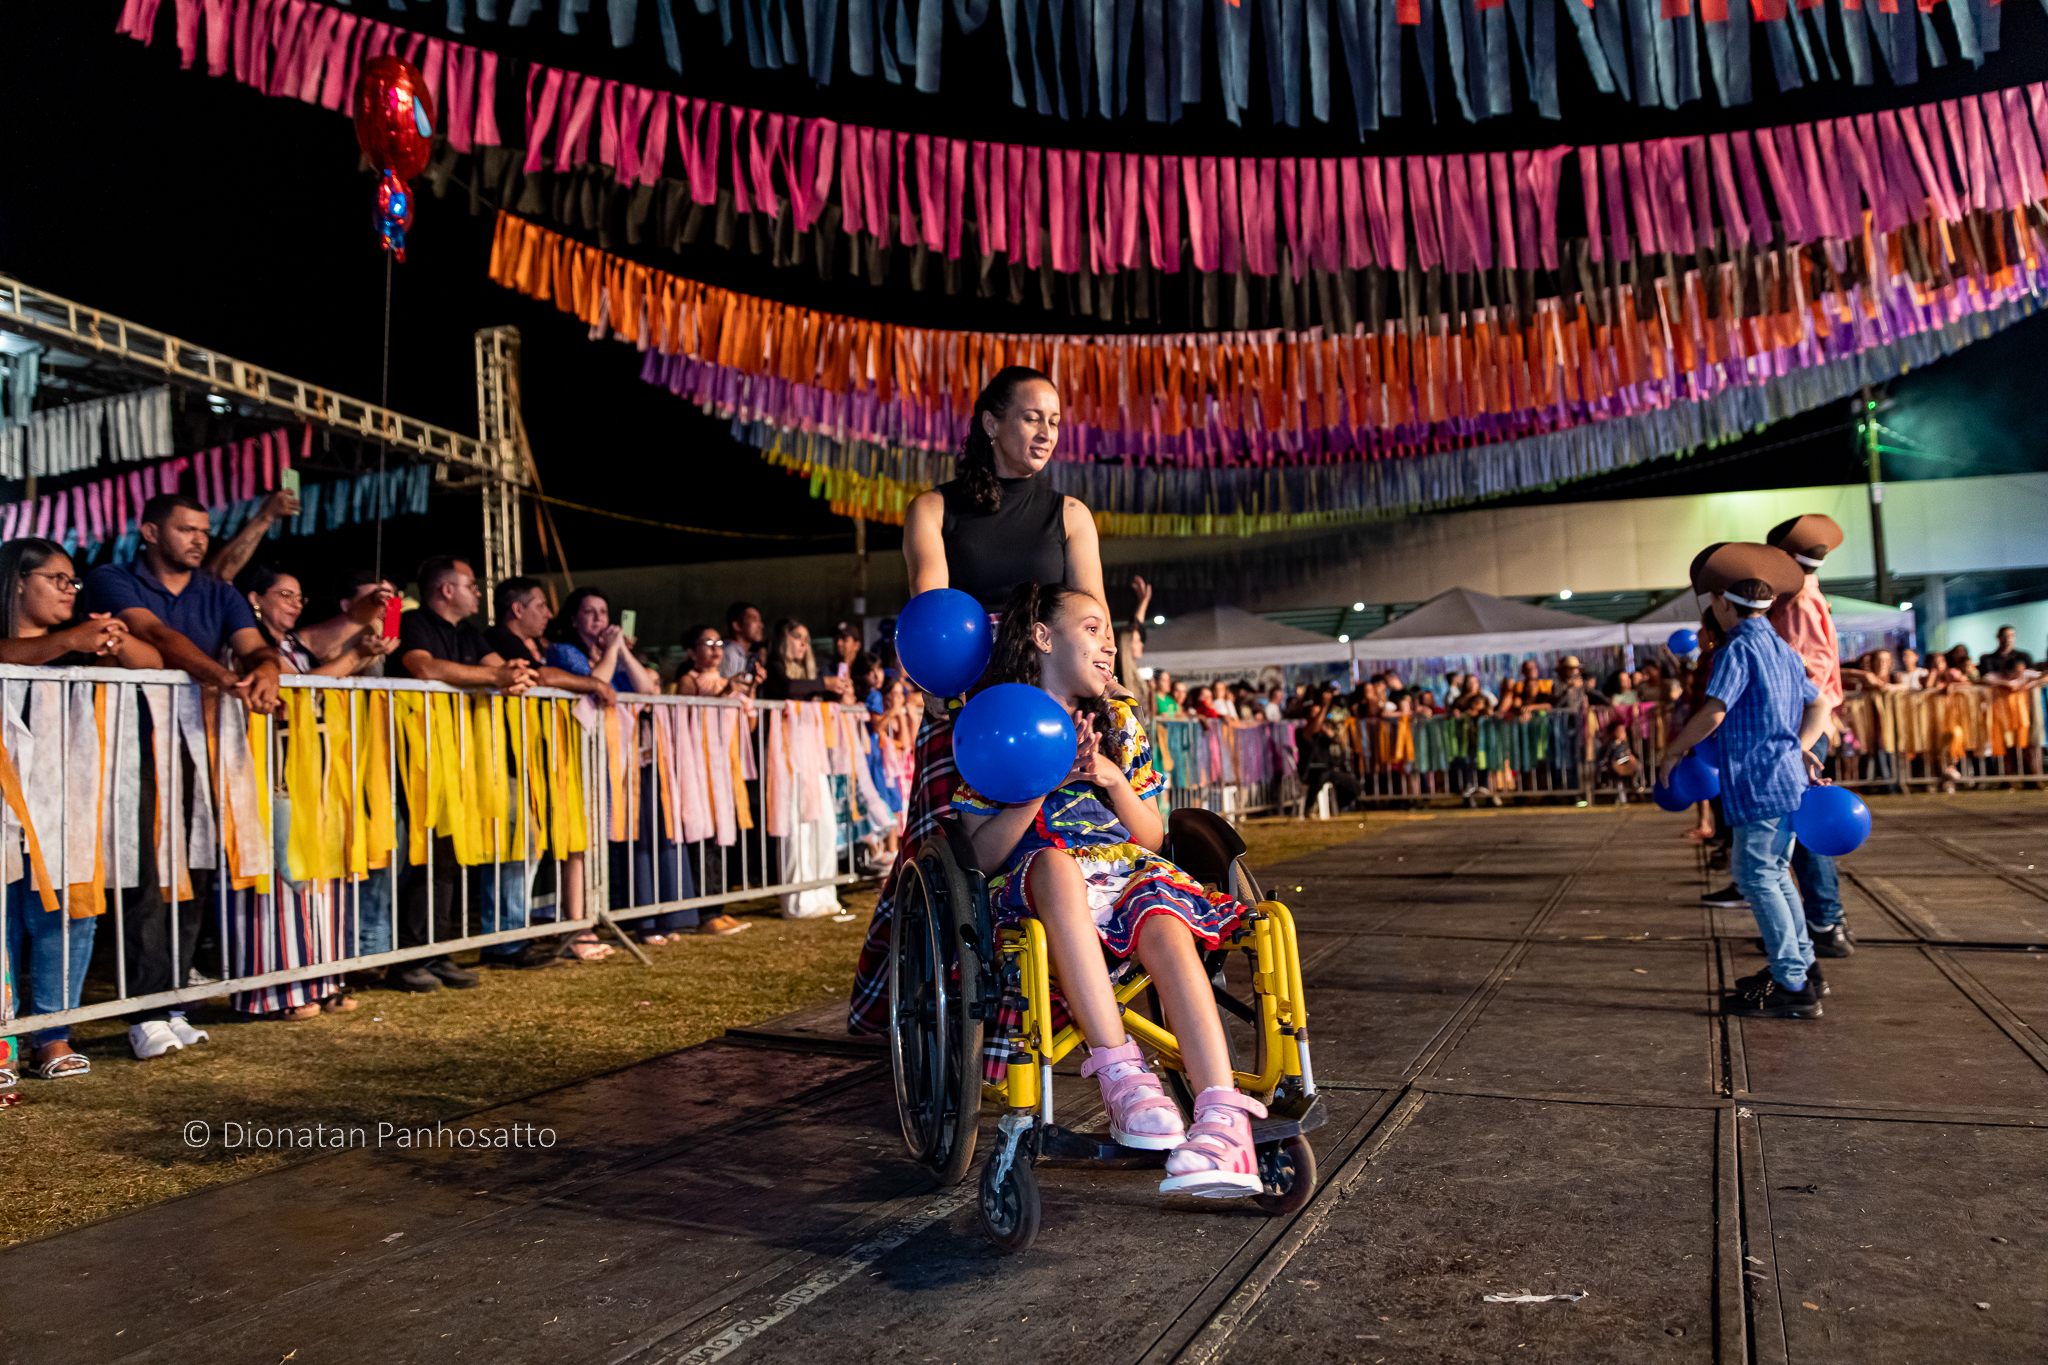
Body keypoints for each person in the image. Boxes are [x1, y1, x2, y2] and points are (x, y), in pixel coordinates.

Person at [955, 582, 1269, 1196]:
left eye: (1109, 633)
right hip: (1037, 883)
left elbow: (1152, 836)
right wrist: (1041, 783)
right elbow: (979, 855)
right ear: (1043, 637)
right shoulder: (996, 719)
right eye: (1093, 629)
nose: (1109, 646)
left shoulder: (1118, 720)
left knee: (1162, 911)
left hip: (1122, 870)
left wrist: (1110, 778)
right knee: (1055, 867)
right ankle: (1125, 1079)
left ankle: (1222, 1120)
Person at [847, 366, 1109, 1035]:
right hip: (965, 702)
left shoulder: (1071, 515)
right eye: (1031, 416)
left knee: (1072, 840)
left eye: (1055, 420)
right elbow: (931, 604)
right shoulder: (934, 510)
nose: (1046, 431)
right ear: (991, 422)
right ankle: (950, 995)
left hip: (1052, 700)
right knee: (952, 852)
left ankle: (1077, 982)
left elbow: (1093, 616)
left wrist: (1109, 693)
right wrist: (944, 686)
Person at [78, 493, 285, 1059]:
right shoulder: (112, 578)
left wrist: (266, 671)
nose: (199, 539)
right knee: (147, 874)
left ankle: (173, 1001)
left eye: (204, 531)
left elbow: (254, 647)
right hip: (133, 746)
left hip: (202, 744)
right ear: (149, 531)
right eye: (186, 529)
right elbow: (160, 639)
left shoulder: (218, 591)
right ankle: (143, 1010)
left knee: (194, 869)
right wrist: (225, 677)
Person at [0, 539, 157, 1081]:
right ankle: (3, 1038)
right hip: (6, 801)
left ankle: (53, 1035)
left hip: (62, 801)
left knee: (66, 913)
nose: (71, 590)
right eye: (57, 579)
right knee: (2, 916)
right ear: (19, 581)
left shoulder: (77, 651)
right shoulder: (56, 644)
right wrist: (70, 639)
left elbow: (152, 663)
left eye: (74, 581)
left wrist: (116, 638)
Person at [1659, 544, 1829, 1019]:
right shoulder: (1782, 648)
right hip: (1785, 778)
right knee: (1776, 874)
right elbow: (1820, 703)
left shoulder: (1737, 649)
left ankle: (1792, 982)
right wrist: (1799, 745)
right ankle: (1802, 968)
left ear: (1722, 603)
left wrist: (1673, 750)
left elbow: (1714, 711)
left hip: (1758, 781)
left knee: (1757, 876)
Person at [393, 555, 542, 990]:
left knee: (450, 853)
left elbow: (506, 668)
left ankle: (437, 950)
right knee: (423, 853)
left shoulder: (468, 632)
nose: (478, 592)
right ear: (446, 589)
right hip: (420, 754)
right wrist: (495, 675)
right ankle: (408, 956)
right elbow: (424, 667)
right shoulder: (414, 622)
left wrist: (509, 674)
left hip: (460, 756)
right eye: (471, 585)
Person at [546, 586, 700, 943]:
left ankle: (615, 916)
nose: (599, 618)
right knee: (584, 841)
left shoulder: (612, 654)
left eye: (604, 611)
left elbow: (647, 692)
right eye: (590, 612)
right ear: (574, 619)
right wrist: (614, 650)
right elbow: (595, 684)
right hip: (582, 756)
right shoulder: (565, 651)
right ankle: (579, 926)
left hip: (620, 758)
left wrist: (623, 652)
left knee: (613, 839)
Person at [1762, 515, 1850, 957]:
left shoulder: (1796, 601)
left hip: (1801, 727)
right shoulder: (1806, 596)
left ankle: (1824, 922)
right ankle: (1826, 919)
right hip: (1808, 726)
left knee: (1804, 828)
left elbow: (1808, 672)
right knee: (1803, 825)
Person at [760, 618, 855, 703]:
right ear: (783, 639)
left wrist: (838, 688)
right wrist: (825, 683)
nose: (803, 644)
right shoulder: (773, 666)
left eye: (806, 640)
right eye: (797, 637)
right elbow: (788, 687)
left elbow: (821, 696)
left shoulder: (809, 669)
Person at [720, 601, 767, 689]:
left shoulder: (747, 655)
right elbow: (731, 690)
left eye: (760, 621)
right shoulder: (730, 653)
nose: (761, 625)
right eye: (754, 620)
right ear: (737, 626)